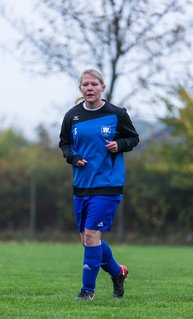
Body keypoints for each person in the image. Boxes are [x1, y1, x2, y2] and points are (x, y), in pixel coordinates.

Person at [59, 69, 139, 300]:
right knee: (87, 239)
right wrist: (72, 158)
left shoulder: (117, 114)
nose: (90, 88)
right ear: (80, 89)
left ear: (102, 87)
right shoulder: (72, 116)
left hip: (108, 183)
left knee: (92, 236)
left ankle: (87, 291)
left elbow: (133, 138)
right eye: (85, 85)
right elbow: (64, 143)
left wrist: (119, 145)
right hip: (81, 184)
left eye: (94, 84)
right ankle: (117, 272)